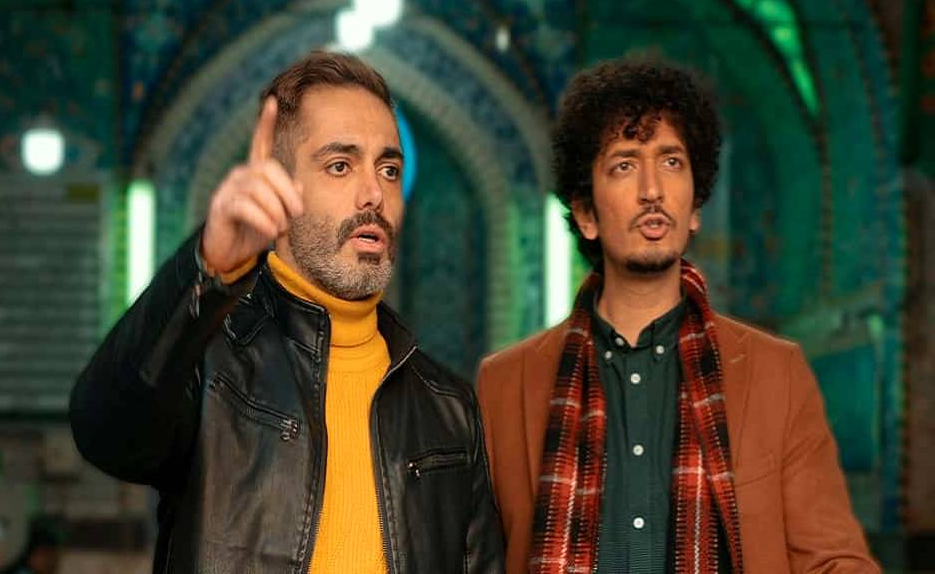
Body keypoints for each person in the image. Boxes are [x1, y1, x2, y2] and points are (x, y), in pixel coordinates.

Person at [71, 51, 503, 573]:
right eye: (340, 166)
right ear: (278, 186)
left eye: (389, 169)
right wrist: (206, 267)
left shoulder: (449, 408)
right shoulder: (210, 367)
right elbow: (106, 432)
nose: (374, 194)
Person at [477, 58, 879, 573]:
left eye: (671, 162)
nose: (653, 189)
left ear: (694, 209)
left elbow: (832, 561)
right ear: (586, 214)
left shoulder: (775, 373)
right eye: (624, 165)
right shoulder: (504, 385)